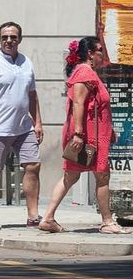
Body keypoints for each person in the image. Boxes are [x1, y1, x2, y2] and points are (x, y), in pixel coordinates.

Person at [40, 36, 128, 234]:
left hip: (94, 132)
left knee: (71, 176)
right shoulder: (84, 72)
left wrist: (110, 127)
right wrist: (79, 134)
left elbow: (96, 105)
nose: (103, 55)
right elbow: (78, 104)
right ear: (90, 53)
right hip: (87, 134)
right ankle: (107, 221)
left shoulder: (89, 73)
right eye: (100, 51)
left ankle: (48, 218)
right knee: (102, 175)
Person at [0, 21, 43, 229]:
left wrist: (38, 123)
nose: (9, 41)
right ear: (0, 39)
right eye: (5, 37)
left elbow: (32, 94)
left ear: (19, 39)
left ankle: (33, 215)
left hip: (24, 127)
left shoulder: (26, 62)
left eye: (13, 37)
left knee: (33, 166)